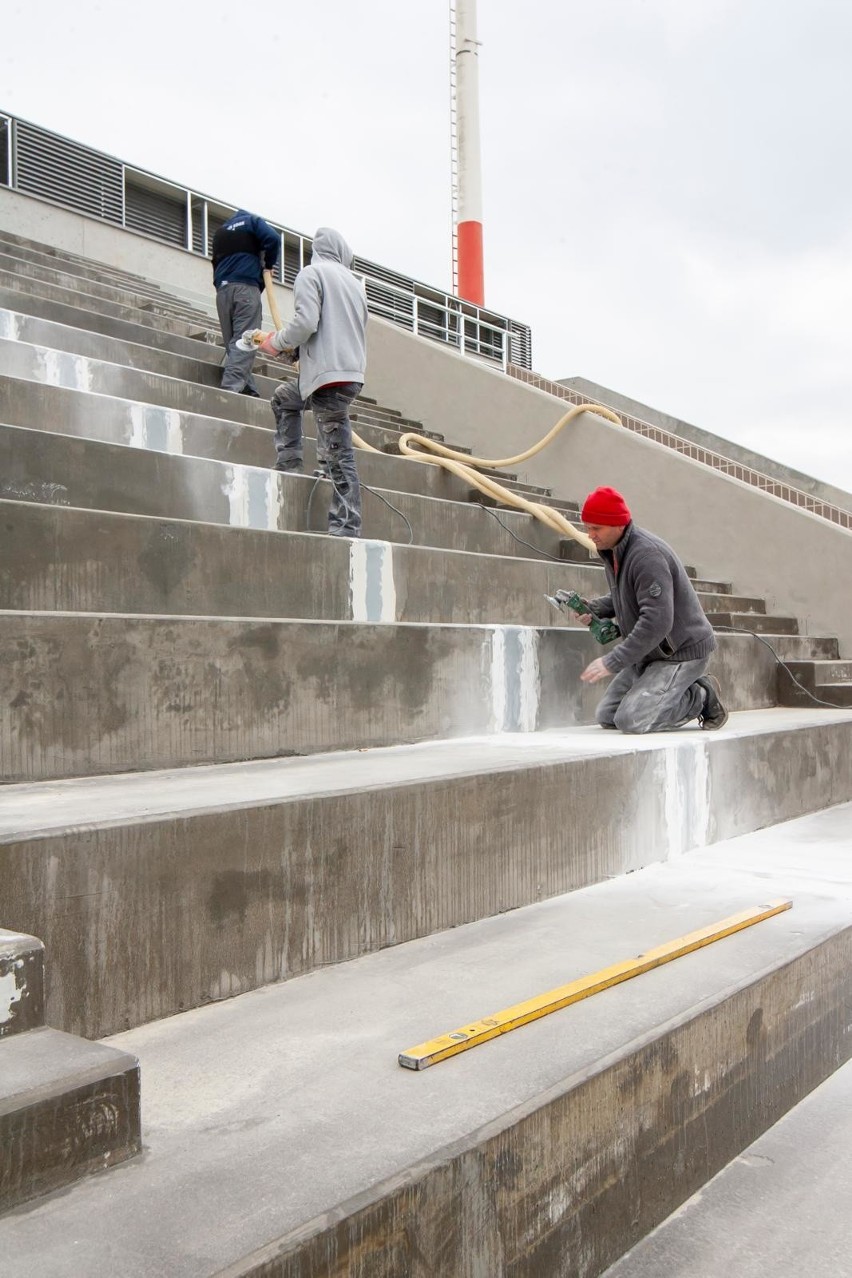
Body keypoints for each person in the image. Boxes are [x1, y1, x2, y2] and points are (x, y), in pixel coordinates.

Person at [576, 486, 728, 733]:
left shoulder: (647, 556)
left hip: (680, 652)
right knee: (608, 715)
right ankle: (677, 692)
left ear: (617, 525)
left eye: (596, 528)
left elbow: (657, 622)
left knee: (632, 721)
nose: (590, 534)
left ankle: (701, 695)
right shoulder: (613, 551)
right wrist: (594, 608)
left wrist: (613, 660)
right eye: (588, 527)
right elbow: (626, 596)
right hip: (651, 654)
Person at [258, 227, 367, 539]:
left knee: (337, 452)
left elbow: (306, 323)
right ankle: (289, 463)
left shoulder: (312, 273)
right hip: (347, 375)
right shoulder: (353, 284)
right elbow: (338, 330)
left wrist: (276, 342)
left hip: (327, 378)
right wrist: (297, 352)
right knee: (284, 398)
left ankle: (346, 527)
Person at [212, 209, 280, 396]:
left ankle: (248, 388)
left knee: (233, 343)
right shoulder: (252, 222)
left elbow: (216, 262)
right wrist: (268, 265)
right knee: (245, 342)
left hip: (223, 291)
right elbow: (273, 239)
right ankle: (230, 391)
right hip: (245, 290)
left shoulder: (220, 232)